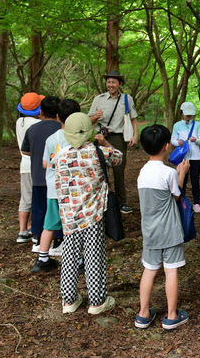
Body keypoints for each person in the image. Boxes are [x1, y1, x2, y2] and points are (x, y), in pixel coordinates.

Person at [54, 113, 122, 315]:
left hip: (68, 215)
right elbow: (118, 156)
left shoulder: (61, 156)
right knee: (94, 256)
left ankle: (68, 300)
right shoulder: (99, 153)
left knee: (69, 256)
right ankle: (97, 301)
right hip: (93, 215)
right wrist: (103, 141)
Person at [135, 125, 191, 331]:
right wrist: (181, 173)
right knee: (171, 271)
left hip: (149, 230)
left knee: (149, 270)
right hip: (170, 230)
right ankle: (171, 315)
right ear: (167, 146)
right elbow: (176, 195)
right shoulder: (168, 173)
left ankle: (143, 314)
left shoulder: (142, 173)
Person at [88, 70, 138, 214]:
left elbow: (133, 118)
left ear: (120, 84)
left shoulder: (127, 99)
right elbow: (88, 119)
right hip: (100, 136)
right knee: (100, 169)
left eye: (113, 82)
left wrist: (135, 135)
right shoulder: (99, 99)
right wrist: (95, 117)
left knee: (119, 170)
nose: (110, 85)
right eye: (108, 82)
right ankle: (100, 203)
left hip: (118, 138)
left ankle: (122, 203)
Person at [21, 96, 61, 272]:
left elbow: (25, 150)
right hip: (57, 177)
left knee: (39, 209)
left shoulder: (33, 129)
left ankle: (38, 240)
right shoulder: (62, 129)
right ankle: (58, 240)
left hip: (38, 175)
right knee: (57, 210)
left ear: (41, 112)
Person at [41, 99, 81, 268]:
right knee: (75, 225)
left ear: (58, 117)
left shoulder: (52, 139)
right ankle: (78, 260)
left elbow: (45, 164)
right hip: (74, 190)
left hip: (54, 189)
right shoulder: (80, 137)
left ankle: (42, 258)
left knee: (49, 224)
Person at [15, 93, 43, 243]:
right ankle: (34, 228)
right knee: (38, 196)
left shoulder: (19, 121)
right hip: (37, 163)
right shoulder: (37, 124)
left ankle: (22, 230)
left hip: (24, 164)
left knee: (25, 197)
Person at [171, 102, 200, 212]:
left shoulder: (197, 125)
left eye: (191, 114)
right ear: (182, 113)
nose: (189, 116)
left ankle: (196, 203)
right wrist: (178, 142)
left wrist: (196, 140)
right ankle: (182, 201)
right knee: (182, 179)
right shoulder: (177, 125)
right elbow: (173, 140)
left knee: (195, 180)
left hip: (195, 157)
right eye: (187, 114)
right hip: (183, 157)